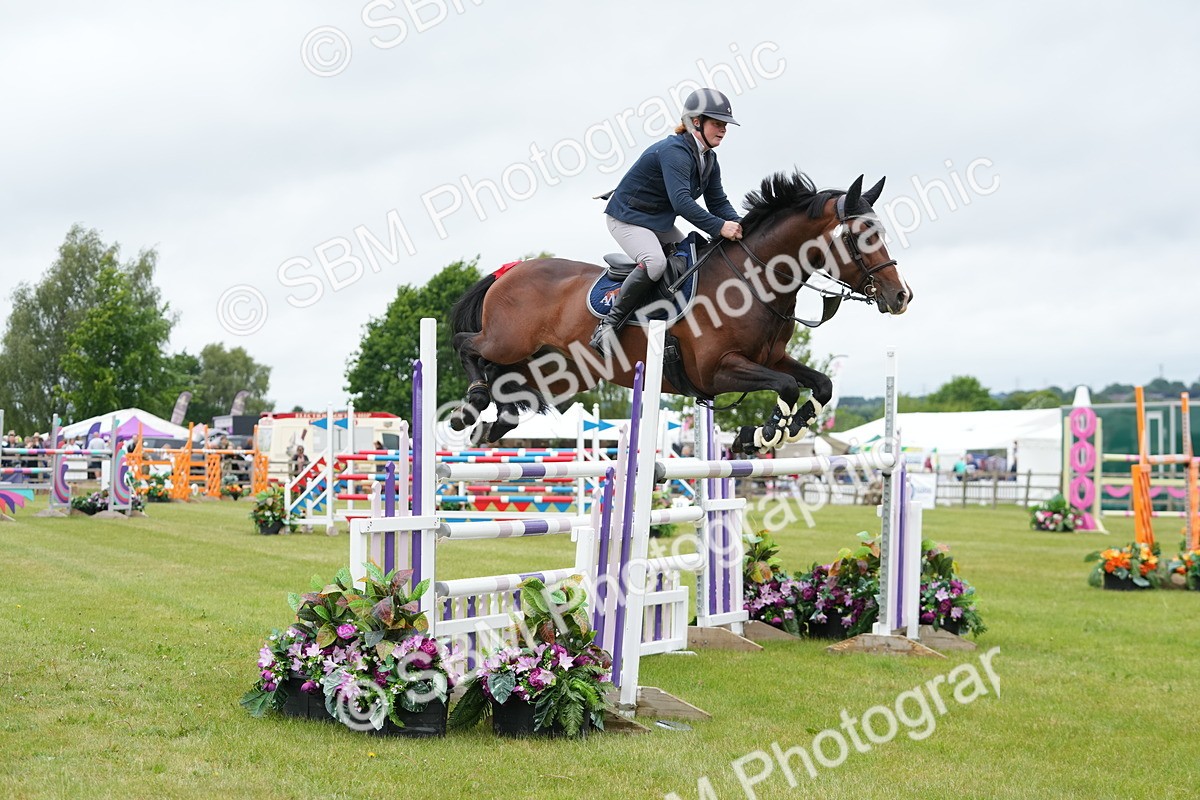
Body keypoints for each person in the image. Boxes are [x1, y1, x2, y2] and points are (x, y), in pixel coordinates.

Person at [590, 88, 744, 354]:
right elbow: (682, 203)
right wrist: (719, 227)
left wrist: (742, 225)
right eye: (717, 123)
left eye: (725, 125)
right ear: (696, 121)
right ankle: (609, 325)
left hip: (656, 222)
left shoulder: (709, 159)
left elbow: (718, 202)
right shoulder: (675, 151)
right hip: (626, 218)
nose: (723, 130)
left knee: (691, 259)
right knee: (657, 263)